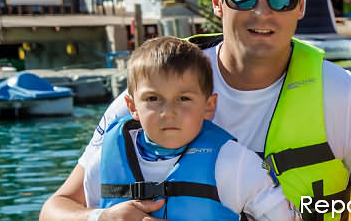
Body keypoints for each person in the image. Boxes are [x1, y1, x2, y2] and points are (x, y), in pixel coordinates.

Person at [40, 0, 351, 220]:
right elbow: (56, 208)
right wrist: (99, 217)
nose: (262, 11)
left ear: (301, 4)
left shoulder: (346, 98)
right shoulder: (152, 94)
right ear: (218, 0)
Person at [82, 36, 299, 220]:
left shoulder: (234, 164)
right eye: (153, 98)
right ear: (132, 107)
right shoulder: (103, 162)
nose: (168, 112)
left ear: (209, 106)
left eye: (183, 98)